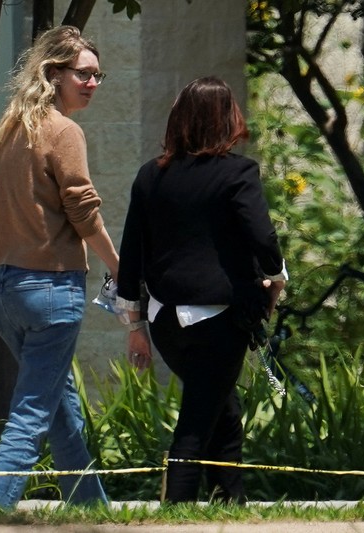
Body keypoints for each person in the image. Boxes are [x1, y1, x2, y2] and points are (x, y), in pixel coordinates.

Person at [116, 76, 287, 504]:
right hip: (218, 319)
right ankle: (176, 510)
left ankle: (231, 499)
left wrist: (133, 325)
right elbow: (263, 238)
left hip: (165, 321)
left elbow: (131, 253)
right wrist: (277, 278)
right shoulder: (238, 172)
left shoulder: (149, 176)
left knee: (222, 408)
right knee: (195, 424)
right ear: (226, 119)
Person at [0, 26, 118, 511]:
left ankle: (92, 511)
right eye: (84, 74)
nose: (93, 83)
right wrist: (120, 268)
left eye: (98, 75)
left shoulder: (8, 129)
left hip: (7, 290)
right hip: (52, 289)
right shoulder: (63, 130)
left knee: (60, 411)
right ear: (53, 73)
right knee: (32, 416)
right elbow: (84, 213)